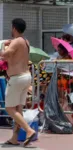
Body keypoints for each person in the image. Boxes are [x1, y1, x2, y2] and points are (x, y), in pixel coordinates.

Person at [0, 18, 36, 147]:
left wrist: (3, 45)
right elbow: (13, 56)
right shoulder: (25, 41)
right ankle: (14, 138)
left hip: (17, 79)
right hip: (26, 77)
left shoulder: (16, 42)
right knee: (18, 109)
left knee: (9, 108)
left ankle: (29, 130)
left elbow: (4, 55)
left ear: (14, 28)